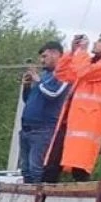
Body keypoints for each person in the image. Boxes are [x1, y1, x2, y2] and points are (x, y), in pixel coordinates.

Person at [45, 32, 101, 182]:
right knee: (52, 165)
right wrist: (72, 52)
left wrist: (81, 52)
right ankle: (43, 200)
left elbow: (84, 72)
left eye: (100, 40)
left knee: (80, 168)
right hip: (71, 121)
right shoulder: (87, 62)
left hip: (89, 121)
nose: (95, 43)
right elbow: (62, 74)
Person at [19, 41, 70, 184]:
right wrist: (28, 85)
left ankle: (38, 201)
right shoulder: (45, 75)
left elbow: (53, 94)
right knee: (26, 170)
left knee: (37, 169)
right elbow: (28, 100)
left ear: (56, 54)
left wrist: (38, 80)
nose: (42, 61)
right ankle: (28, 201)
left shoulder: (63, 74)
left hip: (44, 129)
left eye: (44, 56)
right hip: (27, 129)